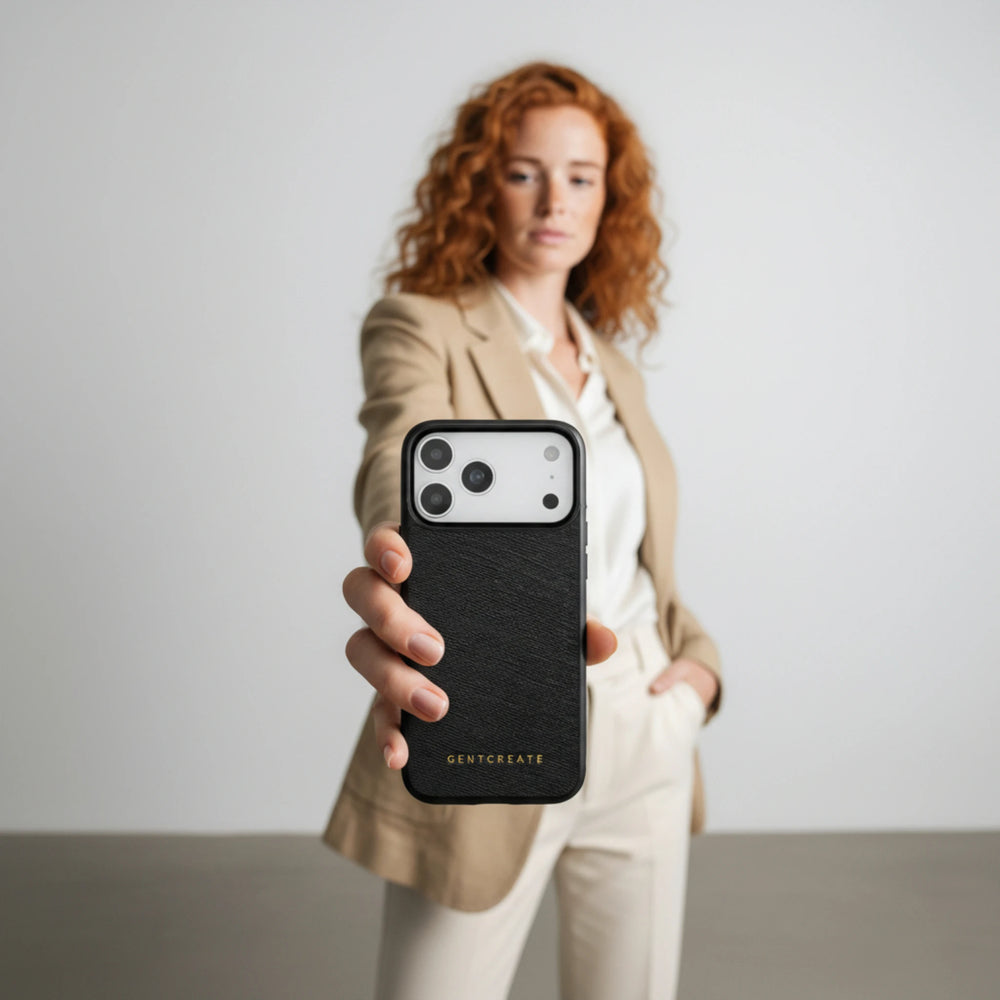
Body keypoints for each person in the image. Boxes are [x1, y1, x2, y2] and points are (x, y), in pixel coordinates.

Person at [321, 60, 724, 1000]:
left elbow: (639, 561)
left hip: (643, 730)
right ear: (479, 186)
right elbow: (400, 450)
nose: (556, 199)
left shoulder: (617, 369)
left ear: (607, 200)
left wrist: (698, 676)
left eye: (583, 176)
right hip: (492, 716)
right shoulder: (419, 326)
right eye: (523, 170)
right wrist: (397, 551)